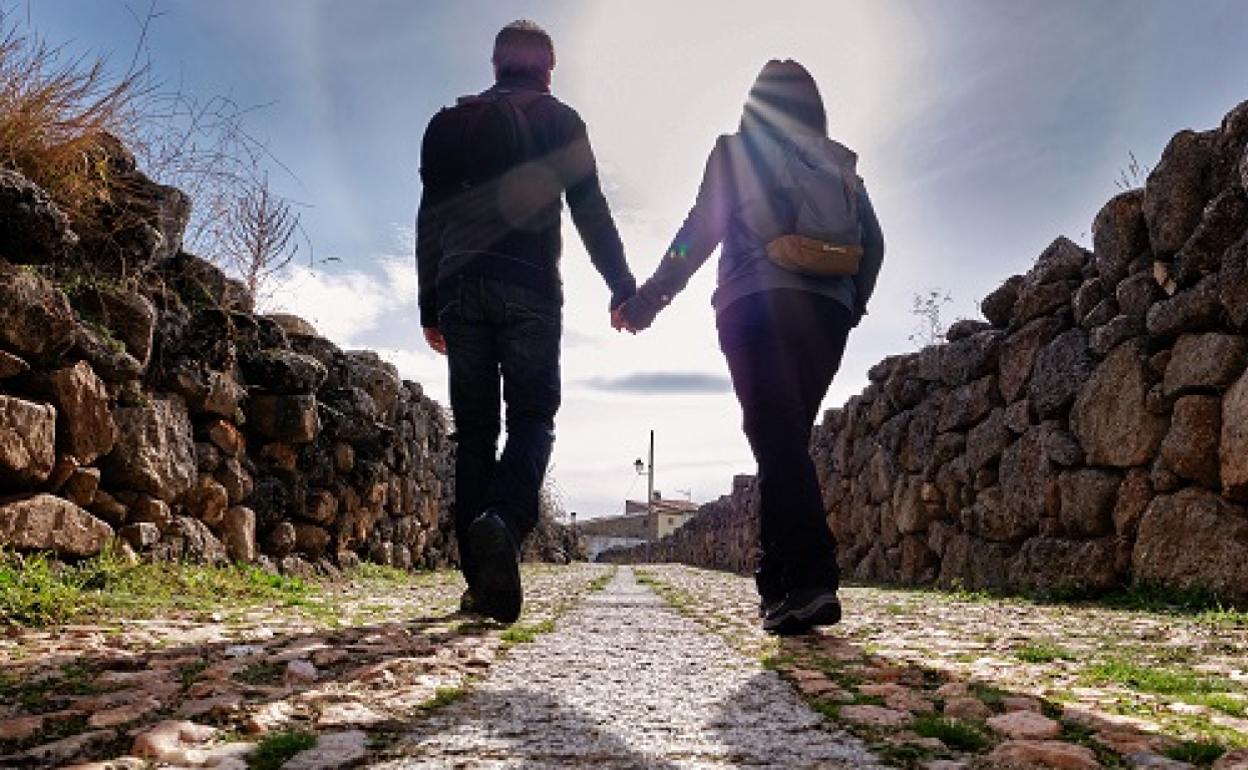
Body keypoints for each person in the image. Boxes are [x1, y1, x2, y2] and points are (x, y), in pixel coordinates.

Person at [614, 60, 885, 635]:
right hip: (826, 312)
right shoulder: (837, 161)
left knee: (776, 437)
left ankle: (811, 578)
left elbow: (699, 230)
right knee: (782, 443)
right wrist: (849, 306)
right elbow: (875, 242)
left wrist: (646, 303)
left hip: (755, 302)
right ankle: (778, 587)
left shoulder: (735, 151)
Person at [417, 20, 635, 624]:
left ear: (494, 65)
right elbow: (591, 210)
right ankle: (504, 525)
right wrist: (621, 286)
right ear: (550, 65)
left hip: (459, 287)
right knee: (534, 417)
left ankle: (480, 584)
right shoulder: (561, 121)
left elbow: (429, 221)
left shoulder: (447, 123)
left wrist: (428, 307)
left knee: (477, 433)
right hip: (532, 287)